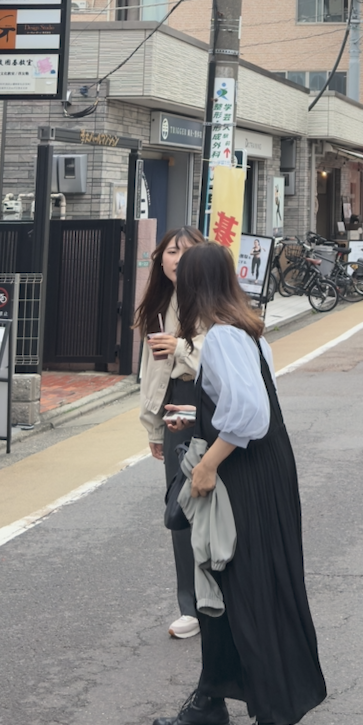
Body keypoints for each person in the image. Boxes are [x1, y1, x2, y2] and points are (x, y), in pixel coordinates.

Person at [155, 241, 326, 725]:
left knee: (246, 589)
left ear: (194, 287)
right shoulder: (244, 330)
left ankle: (271, 715)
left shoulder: (224, 337)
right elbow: (245, 402)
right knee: (233, 587)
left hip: (245, 476)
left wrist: (207, 465)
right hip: (265, 468)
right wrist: (198, 416)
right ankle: (211, 701)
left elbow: (250, 413)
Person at [136, 225, 206, 641]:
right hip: (175, 403)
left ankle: (226, 595)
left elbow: (223, 359)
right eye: (171, 251)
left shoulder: (214, 298)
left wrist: (180, 346)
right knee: (181, 506)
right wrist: (152, 424)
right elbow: (152, 370)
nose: (178, 259)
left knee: (220, 503)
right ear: (160, 259)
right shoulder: (160, 304)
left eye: (187, 251)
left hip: (211, 402)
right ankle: (190, 605)